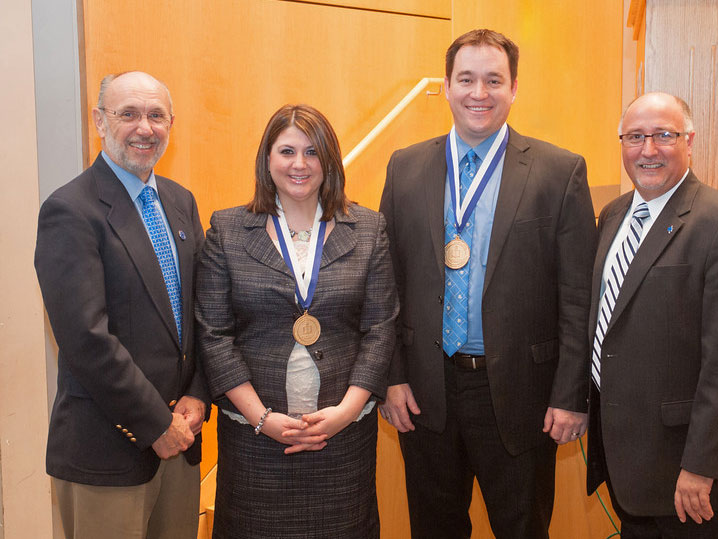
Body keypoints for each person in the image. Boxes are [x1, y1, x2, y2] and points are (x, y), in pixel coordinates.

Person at [379, 29, 598, 538]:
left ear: (514, 88)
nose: (480, 93)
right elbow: (385, 285)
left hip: (521, 394)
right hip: (424, 392)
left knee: (522, 528)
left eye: (494, 80)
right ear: (449, 87)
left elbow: (576, 296)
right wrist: (391, 377)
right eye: (467, 79)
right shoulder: (405, 167)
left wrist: (570, 394)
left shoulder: (559, 171)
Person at [195, 103, 398, 538]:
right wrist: (262, 419)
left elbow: (380, 329)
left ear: (329, 161)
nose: (300, 164)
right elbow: (213, 335)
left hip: (341, 439)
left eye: (312, 151)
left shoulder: (367, 228)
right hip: (254, 441)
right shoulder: (228, 230)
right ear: (267, 160)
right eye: (286, 151)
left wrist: (346, 412)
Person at [586, 92, 718, 538]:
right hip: (631, 471)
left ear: (690, 141)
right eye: (635, 136)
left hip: (692, 479)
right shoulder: (613, 216)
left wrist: (701, 467)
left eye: (664, 136)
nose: (648, 150)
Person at [34, 71, 208, 539]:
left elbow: (199, 312)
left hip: (181, 443)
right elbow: (85, 339)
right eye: (127, 114)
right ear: (99, 120)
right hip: (107, 450)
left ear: (172, 122)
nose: (144, 128)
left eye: (155, 115)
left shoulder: (180, 202)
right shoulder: (70, 210)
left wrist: (198, 393)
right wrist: (156, 423)